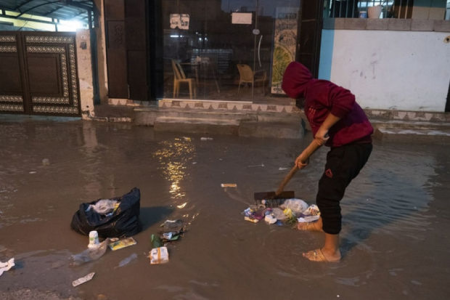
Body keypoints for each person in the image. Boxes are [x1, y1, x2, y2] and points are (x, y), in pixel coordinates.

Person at [281, 62, 373, 262]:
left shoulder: (317, 88)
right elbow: (320, 137)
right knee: (326, 187)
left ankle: (331, 252)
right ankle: (323, 224)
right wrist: (305, 155)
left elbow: (346, 98)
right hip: (343, 147)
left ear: (293, 85)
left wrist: (324, 128)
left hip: (353, 147)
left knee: (328, 197)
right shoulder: (310, 99)